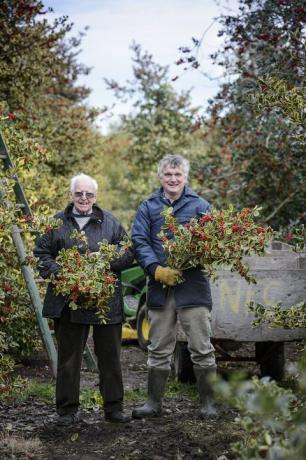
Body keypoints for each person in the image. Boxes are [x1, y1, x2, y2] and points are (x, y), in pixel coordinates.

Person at [34, 173, 134, 425]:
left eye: (88, 193)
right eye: (79, 193)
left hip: (104, 303)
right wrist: (63, 273)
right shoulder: (56, 223)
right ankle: (67, 411)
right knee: (69, 359)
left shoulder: (110, 223)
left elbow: (127, 253)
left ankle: (113, 408)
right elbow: (41, 254)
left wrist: (101, 265)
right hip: (69, 301)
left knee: (110, 358)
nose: (84, 198)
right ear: (71, 195)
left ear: (96, 196)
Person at [131, 154, 217, 419]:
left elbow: (213, 239)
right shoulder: (148, 207)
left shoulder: (201, 206)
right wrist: (156, 269)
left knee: (202, 349)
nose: (173, 179)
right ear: (160, 176)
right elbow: (139, 240)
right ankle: (153, 403)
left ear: (185, 177)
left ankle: (208, 405)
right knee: (158, 349)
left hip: (193, 288)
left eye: (178, 174)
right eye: (168, 174)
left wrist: (200, 255)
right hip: (160, 290)